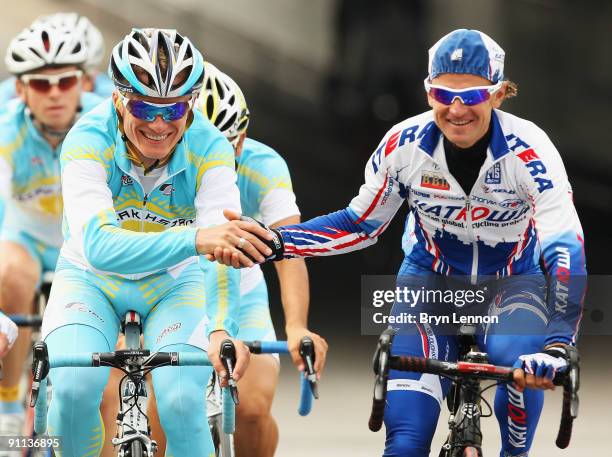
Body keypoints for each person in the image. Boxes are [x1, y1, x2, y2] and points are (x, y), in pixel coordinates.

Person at [218, 29, 587, 456]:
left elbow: (565, 248)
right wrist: (275, 241)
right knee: (407, 439)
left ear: (499, 94)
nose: (457, 109)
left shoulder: (531, 151)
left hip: (511, 283)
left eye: (473, 97)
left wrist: (559, 342)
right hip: (429, 282)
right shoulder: (403, 146)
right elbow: (359, 224)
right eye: (444, 94)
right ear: (428, 92)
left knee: (519, 364)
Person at [40, 27, 271, 456]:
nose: (160, 124)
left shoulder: (212, 148)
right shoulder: (87, 141)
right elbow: (102, 248)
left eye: (176, 108)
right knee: (72, 390)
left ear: (191, 105)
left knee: (183, 403)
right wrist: (196, 238)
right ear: (117, 99)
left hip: (174, 284)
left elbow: (223, 249)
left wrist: (222, 327)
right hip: (92, 279)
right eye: (144, 107)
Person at [199, 62, 327, 457]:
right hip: (170, 286)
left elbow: (290, 251)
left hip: (239, 283)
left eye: (230, 146)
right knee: (164, 408)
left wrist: (296, 326)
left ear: (244, 137)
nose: (222, 159)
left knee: (253, 407)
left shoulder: (265, 167)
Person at [0, 21, 103, 439]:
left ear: (84, 81)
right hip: (26, 240)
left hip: (87, 247)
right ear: (20, 90)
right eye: (41, 85)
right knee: (10, 273)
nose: (55, 92)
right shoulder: (6, 132)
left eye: (65, 81)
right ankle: (8, 403)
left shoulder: (108, 122)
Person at [0, 12, 114, 103]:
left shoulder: (109, 93)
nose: (55, 94)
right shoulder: (8, 95)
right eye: (40, 82)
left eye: (67, 80)